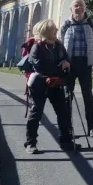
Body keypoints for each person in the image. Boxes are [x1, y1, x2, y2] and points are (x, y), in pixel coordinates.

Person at [24, 20, 74, 154]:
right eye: (53, 29)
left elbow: (67, 58)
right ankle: (31, 143)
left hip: (55, 83)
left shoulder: (58, 44)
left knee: (62, 112)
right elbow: (41, 66)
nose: (56, 30)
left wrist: (66, 61)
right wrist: (60, 66)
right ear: (46, 31)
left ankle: (65, 140)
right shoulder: (36, 47)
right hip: (40, 84)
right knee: (36, 113)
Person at [60, 0, 93, 138]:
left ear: (85, 9)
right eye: (76, 6)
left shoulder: (91, 23)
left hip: (85, 63)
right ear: (71, 9)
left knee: (88, 96)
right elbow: (59, 46)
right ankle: (68, 129)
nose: (79, 8)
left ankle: (92, 128)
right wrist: (61, 61)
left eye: (81, 6)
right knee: (67, 97)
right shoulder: (66, 24)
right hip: (69, 65)